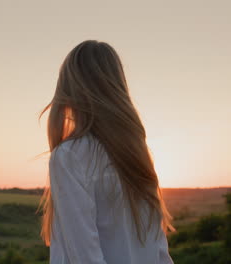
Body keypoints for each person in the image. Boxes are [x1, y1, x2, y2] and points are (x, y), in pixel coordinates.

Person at [37, 40, 176, 263]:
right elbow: (160, 252)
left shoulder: (70, 156)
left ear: (68, 88)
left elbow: (85, 257)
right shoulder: (135, 153)